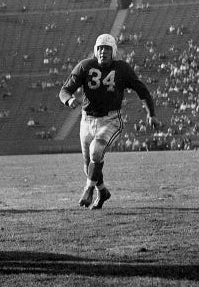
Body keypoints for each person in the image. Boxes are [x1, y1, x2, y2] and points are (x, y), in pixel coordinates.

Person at [58, 34, 161, 210]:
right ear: (95, 50)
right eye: (99, 48)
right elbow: (64, 90)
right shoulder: (85, 66)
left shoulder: (122, 68)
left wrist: (151, 114)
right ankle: (103, 191)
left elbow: (142, 91)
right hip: (86, 119)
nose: (103, 52)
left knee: (96, 152)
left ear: (113, 51)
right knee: (88, 163)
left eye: (106, 48)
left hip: (110, 119)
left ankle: (89, 189)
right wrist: (68, 100)